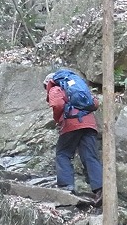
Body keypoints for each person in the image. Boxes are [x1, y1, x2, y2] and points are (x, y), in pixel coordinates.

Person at [44, 72, 103, 206]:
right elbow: (95, 103)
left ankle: (66, 186)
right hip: (89, 124)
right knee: (90, 156)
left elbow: (57, 104)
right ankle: (100, 190)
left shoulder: (55, 88)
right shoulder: (77, 86)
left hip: (72, 123)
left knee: (63, 153)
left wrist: (58, 119)